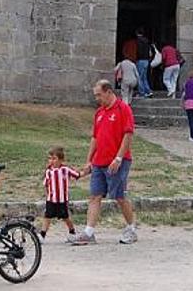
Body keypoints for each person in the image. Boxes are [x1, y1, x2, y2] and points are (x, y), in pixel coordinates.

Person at [70, 80, 138, 245]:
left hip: (117, 162)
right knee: (94, 196)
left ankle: (131, 229)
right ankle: (89, 232)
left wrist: (119, 158)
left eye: (99, 95)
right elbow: (95, 137)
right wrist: (88, 161)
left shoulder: (123, 109)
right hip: (99, 162)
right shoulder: (99, 112)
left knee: (120, 197)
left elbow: (128, 135)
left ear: (108, 92)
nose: (97, 98)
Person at [41, 146, 81, 242]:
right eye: (50, 158)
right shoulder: (48, 171)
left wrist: (86, 171)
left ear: (61, 160)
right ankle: (42, 235)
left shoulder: (65, 169)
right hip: (51, 199)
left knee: (65, 217)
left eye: (54, 158)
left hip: (62, 199)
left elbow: (76, 174)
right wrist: (48, 195)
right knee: (47, 216)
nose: (51, 161)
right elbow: (46, 184)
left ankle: (72, 232)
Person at [135, 29, 153, 98]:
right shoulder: (147, 41)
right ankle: (148, 91)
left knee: (139, 77)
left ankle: (141, 93)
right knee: (144, 77)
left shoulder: (139, 40)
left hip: (141, 60)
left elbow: (139, 50)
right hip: (147, 60)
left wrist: (137, 57)